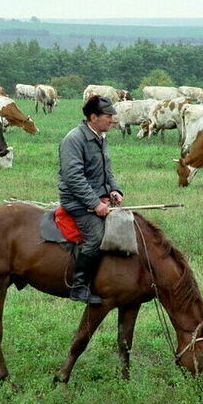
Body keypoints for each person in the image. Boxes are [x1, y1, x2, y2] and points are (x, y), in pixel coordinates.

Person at [58, 95, 124, 304]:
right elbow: (73, 177)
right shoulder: (74, 139)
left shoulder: (100, 137)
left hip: (99, 197)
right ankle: (79, 287)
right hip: (77, 201)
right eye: (108, 116)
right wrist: (95, 204)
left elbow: (107, 171)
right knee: (95, 238)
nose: (112, 120)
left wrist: (114, 189)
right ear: (93, 117)